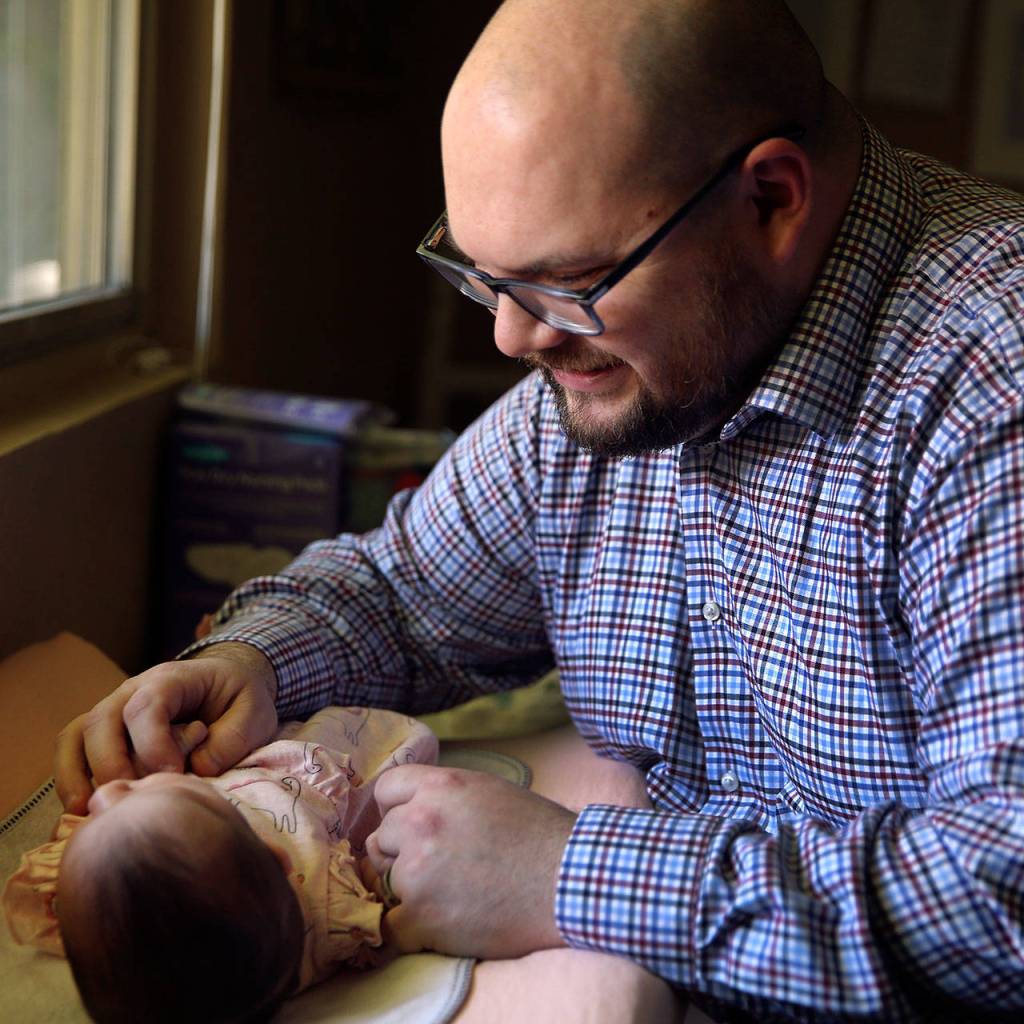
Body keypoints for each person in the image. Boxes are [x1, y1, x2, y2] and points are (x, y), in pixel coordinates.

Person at [54, 0, 1024, 1020]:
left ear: (773, 200)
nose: (514, 338)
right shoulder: (609, 380)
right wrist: (253, 660)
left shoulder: (988, 386)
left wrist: (570, 871)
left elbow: (1006, 895)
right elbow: (402, 592)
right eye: (482, 274)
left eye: (565, 283)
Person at [8, 708, 437, 1023]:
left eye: (95, 823)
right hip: (339, 757)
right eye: (191, 795)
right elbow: (400, 916)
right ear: (276, 856)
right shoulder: (335, 909)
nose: (106, 794)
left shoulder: (107, 917)